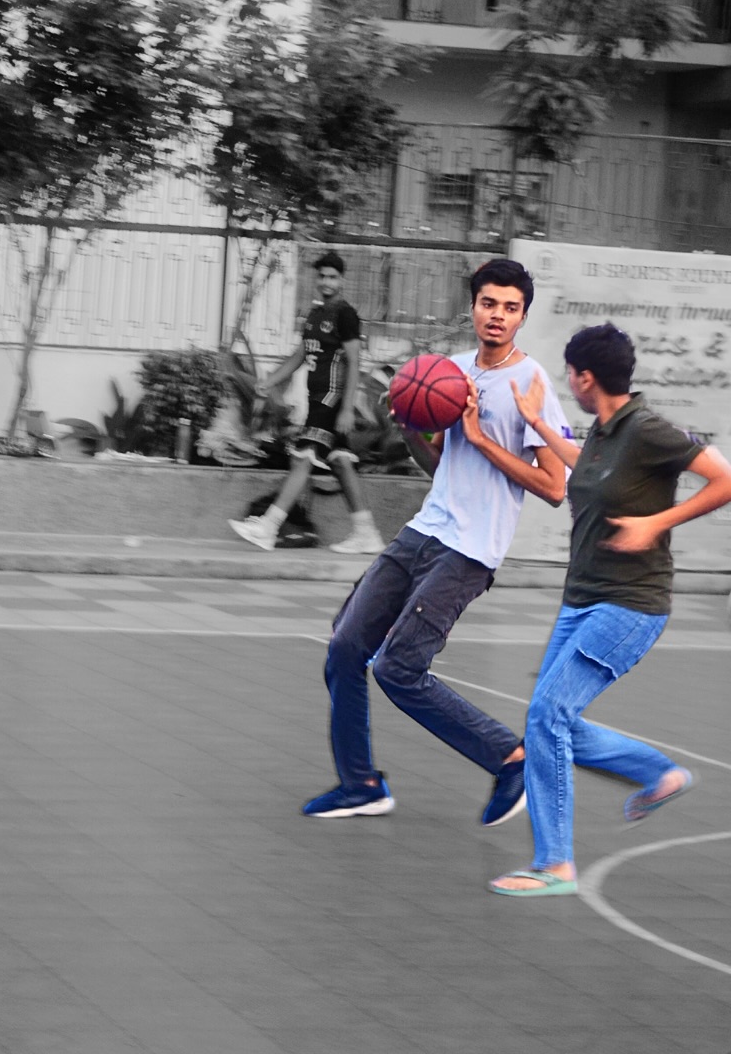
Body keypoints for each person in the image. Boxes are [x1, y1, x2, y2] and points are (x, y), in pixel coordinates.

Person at [302, 258, 571, 822]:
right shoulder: (449, 370)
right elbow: (445, 465)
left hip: (470, 551)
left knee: (399, 669)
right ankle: (361, 784)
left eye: (510, 307)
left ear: (523, 315)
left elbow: (554, 486)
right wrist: (407, 429)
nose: (497, 316)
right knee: (345, 648)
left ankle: (512, 758)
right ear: (472, 306)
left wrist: (478, 435)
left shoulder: (531, 384)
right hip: (423, 531)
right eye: (488, 303)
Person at [490, 324, 731, 896]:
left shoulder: (647, 430)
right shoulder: (604, 432)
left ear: (585, 377)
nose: (568, 383)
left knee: (548, 715)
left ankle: (554, 865)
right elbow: (589, 469)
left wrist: (656, 522)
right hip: (583, 601)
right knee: (552, 721)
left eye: (570, 375)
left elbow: (724, 479)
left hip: (630, 605)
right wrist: (539, 422)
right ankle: (658, 774)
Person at [227, 250, 386, 554]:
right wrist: (269, 381)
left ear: (342, 280)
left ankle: (268, 526)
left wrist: (347, 407)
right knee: (340, 462)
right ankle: (367, 534)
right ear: (316, 279)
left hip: (332, 399)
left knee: (302, 457)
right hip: (316, 400)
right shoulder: (314, 316)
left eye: (332, 277)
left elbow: (354, 362)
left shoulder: (345, 315)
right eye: (322, 276)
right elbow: (299, 356)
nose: (326, 282)